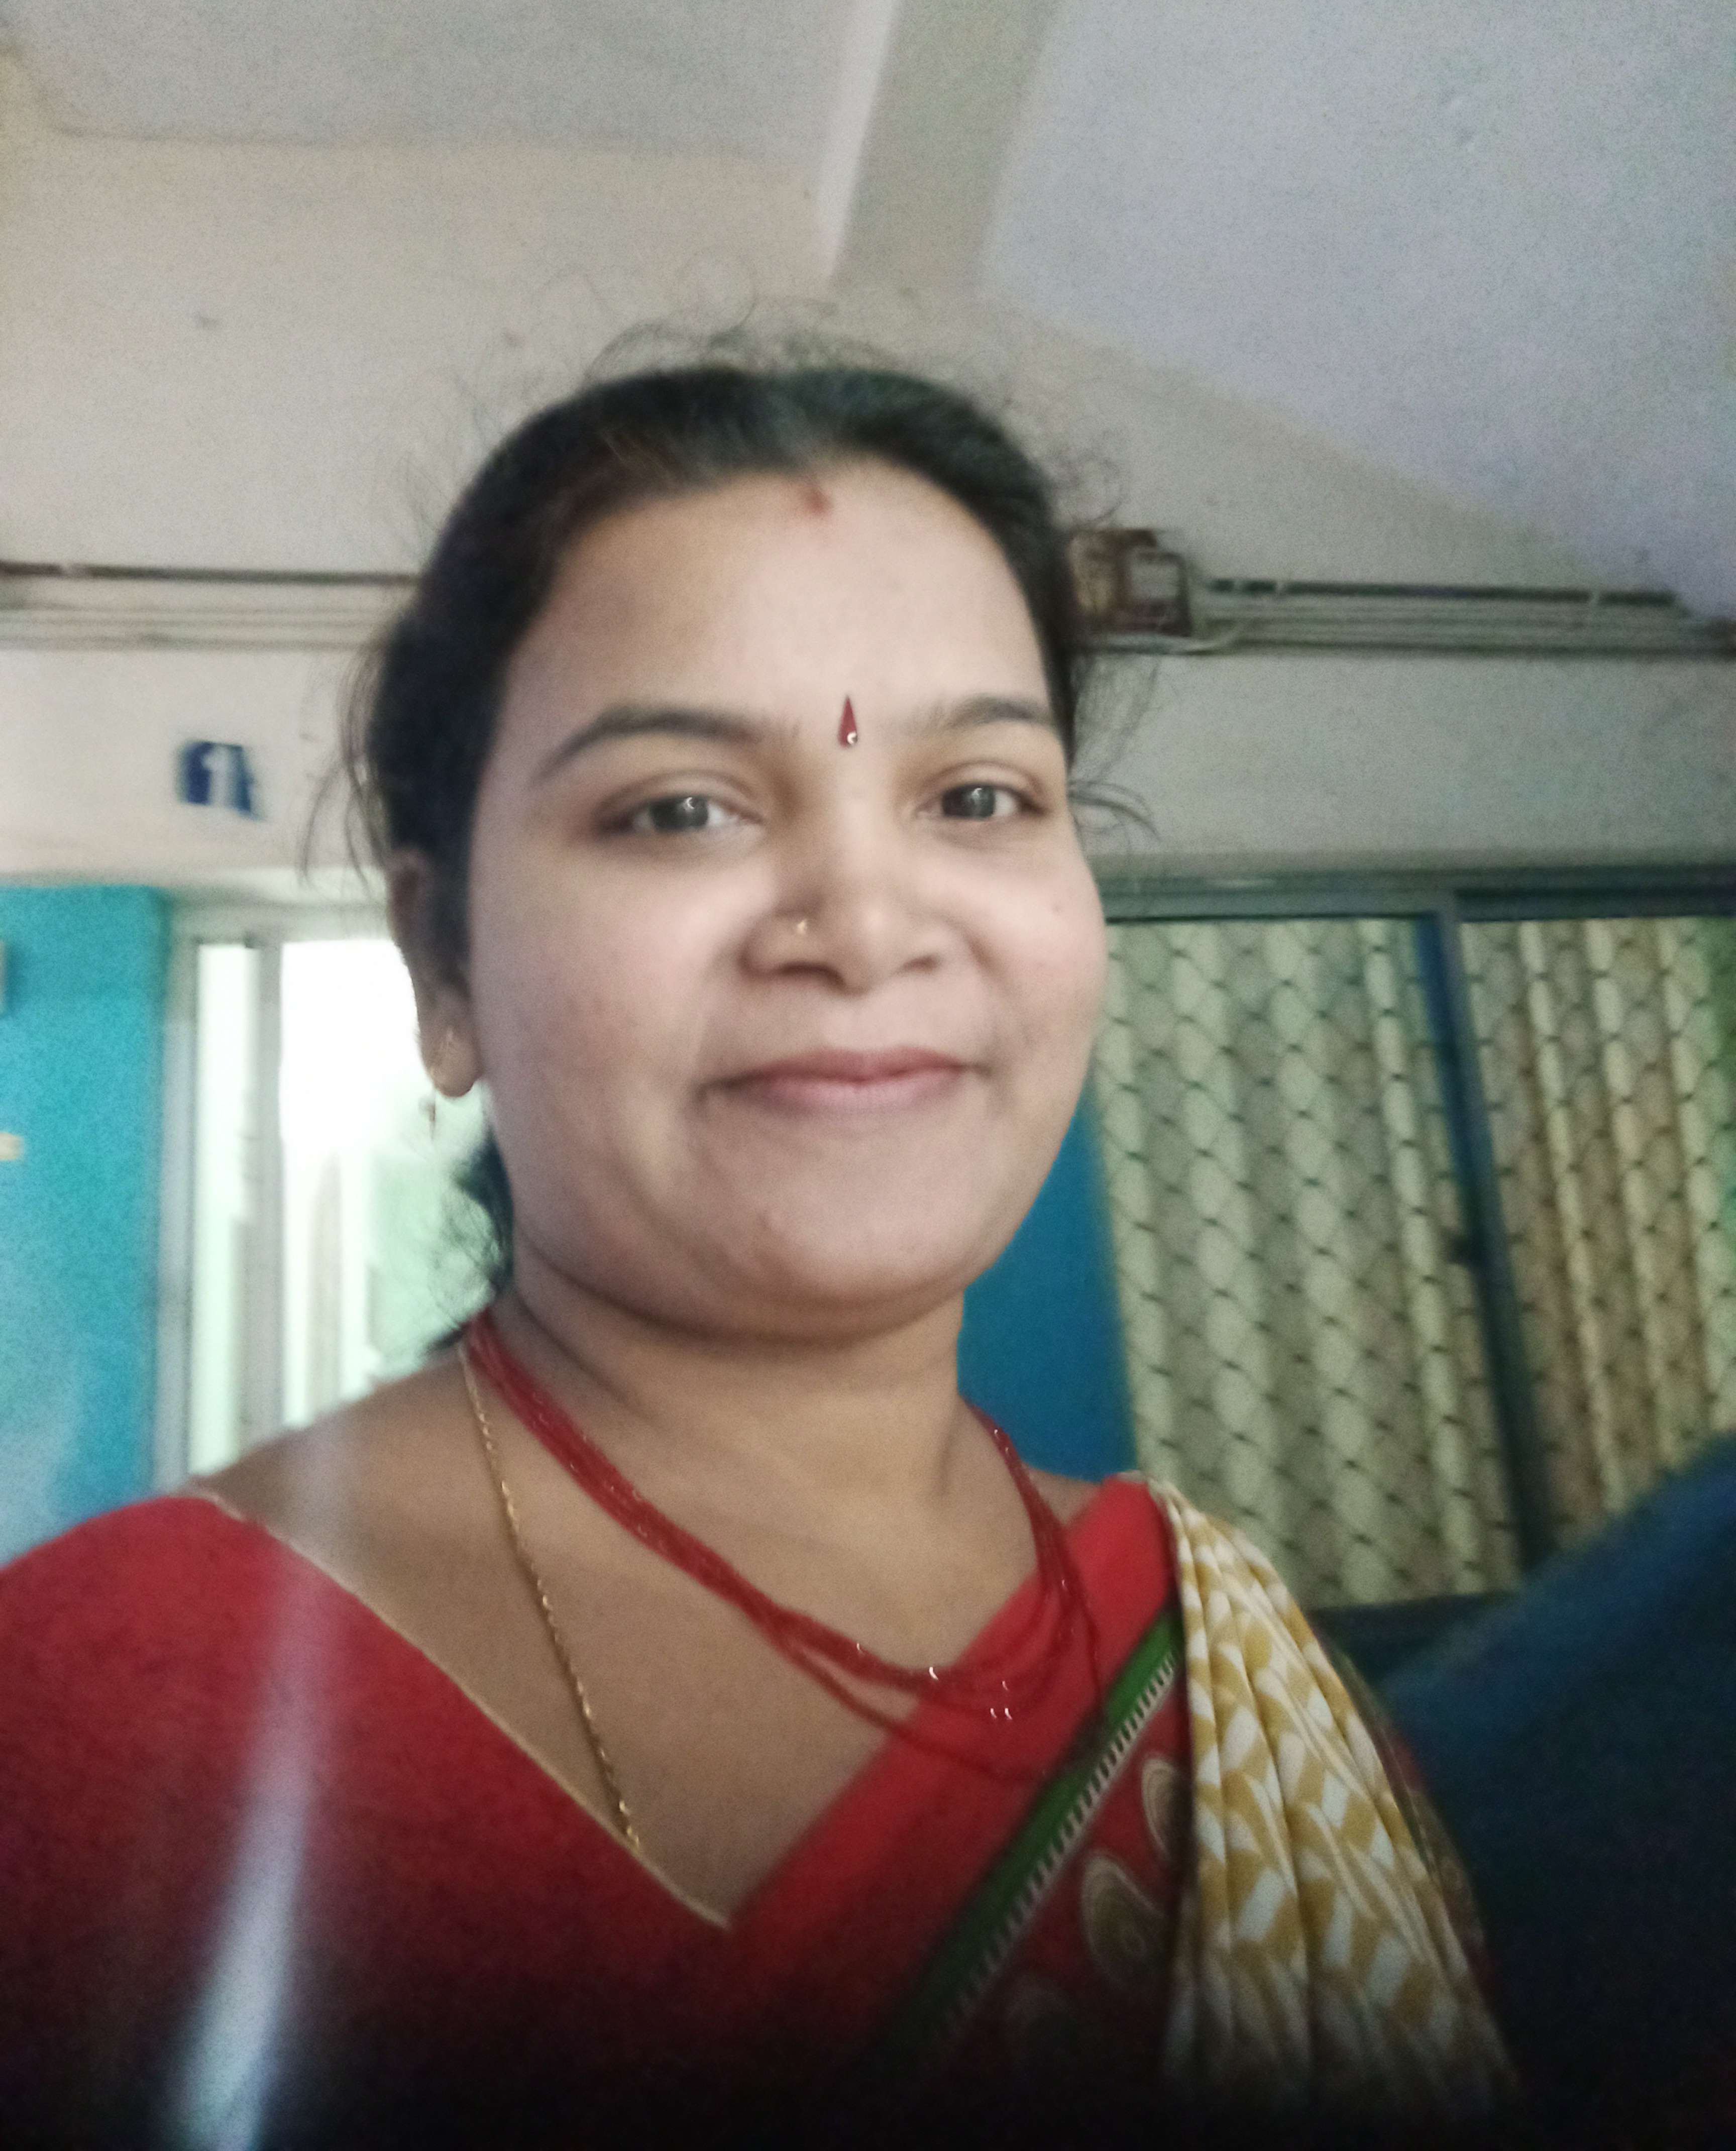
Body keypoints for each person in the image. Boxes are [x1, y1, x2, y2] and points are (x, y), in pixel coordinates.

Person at [0, 358, 1510, 2149]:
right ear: (444, 961)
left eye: (979, 797)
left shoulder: (1219, 1648)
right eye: (680, 808)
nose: (867, 926)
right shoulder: (93, 1739)